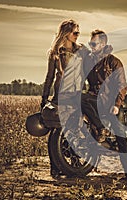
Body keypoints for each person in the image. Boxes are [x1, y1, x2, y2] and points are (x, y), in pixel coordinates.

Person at [41, 19, 93, 178]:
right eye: (75, 32)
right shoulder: (55, 52)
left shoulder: (81, 51)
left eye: (78, 32)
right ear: (66, 33)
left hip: (77, 94)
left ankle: (76, 165)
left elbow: (88, 70)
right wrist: (44, 98)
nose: (77, 35)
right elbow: (49, 77)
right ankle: (54, 168)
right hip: (61, 95)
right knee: (56, 129)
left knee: (77, 128)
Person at [81, 29, 127, 179]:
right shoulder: (89, 61)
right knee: (80, 97)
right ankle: (100, 128)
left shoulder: (113, 62)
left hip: (110, 103)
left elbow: (122, 85)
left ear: (103, 44)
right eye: (90, 43)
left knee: (120, 134)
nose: (91, 46)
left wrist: (117, 105)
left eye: (94, 43)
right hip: (94, 100)